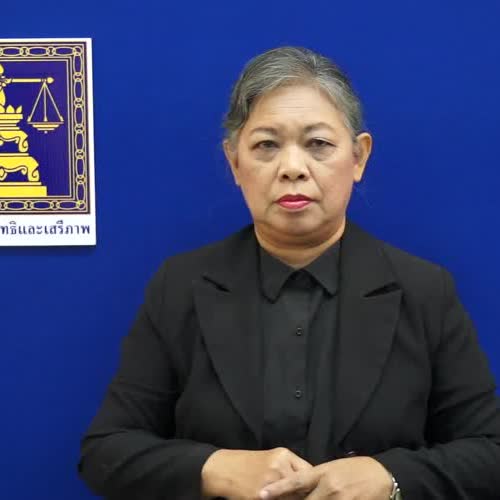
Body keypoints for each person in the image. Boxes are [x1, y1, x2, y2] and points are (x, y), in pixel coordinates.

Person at [78, 47, 500, 499]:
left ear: (359, 157)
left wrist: (390, 477)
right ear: (234, 162)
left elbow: (489, 452)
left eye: (318, 144)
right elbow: (106, 451)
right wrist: (216, 468)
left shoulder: (424, 290)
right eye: (266, 145)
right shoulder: (181, 286)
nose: (292, 169)